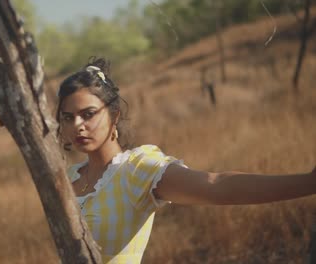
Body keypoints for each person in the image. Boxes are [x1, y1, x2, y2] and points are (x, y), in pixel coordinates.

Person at [55, 57, 316, 264]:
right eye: (68, 117)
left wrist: (308, 183)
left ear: (114, 116)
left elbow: (217, 186)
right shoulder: (68, 178)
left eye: (88, 114)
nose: (78, 125)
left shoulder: (135, 169)